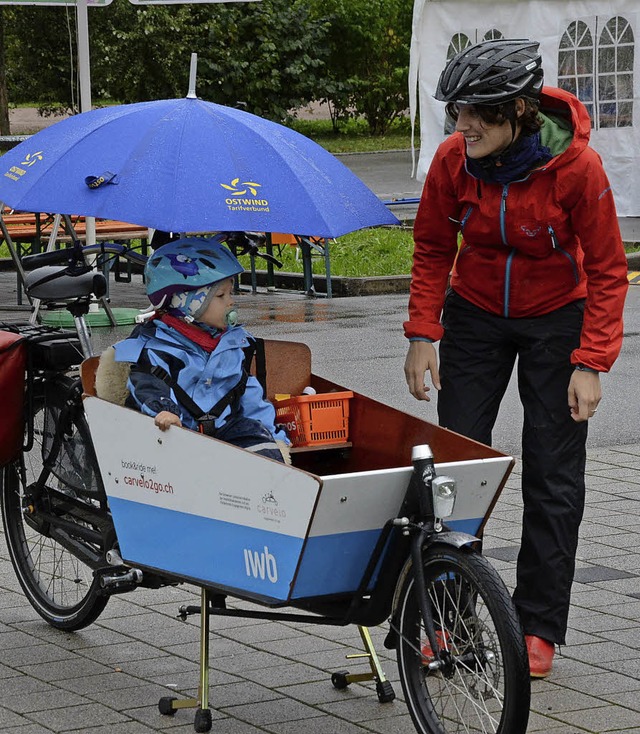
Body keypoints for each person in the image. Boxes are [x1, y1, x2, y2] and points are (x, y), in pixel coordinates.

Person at [403, 39, 628, 678]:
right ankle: (446, 619)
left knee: (553, 474)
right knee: (453, 469)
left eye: (479, 112)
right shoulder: (455, 160)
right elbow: (429, 246)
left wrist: (592, 360)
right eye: (457, 110)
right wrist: (424, 331)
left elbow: (610, 271)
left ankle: (537, 626)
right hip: (474, 314)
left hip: (559, 318)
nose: (462, 124)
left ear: (521, 112)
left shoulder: (576, 169)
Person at [113, 236, 289, 463]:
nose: (230, 302)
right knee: (165, 445)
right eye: (220, 295)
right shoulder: (158, 347)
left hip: (225, 430)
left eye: (230, 294)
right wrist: (165, 411)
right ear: (186, 303)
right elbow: (147, 384)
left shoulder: (232, 343)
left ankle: (271, 484)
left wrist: (273, 436)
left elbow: (248, 392)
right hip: (179, 431)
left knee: (255, 435)